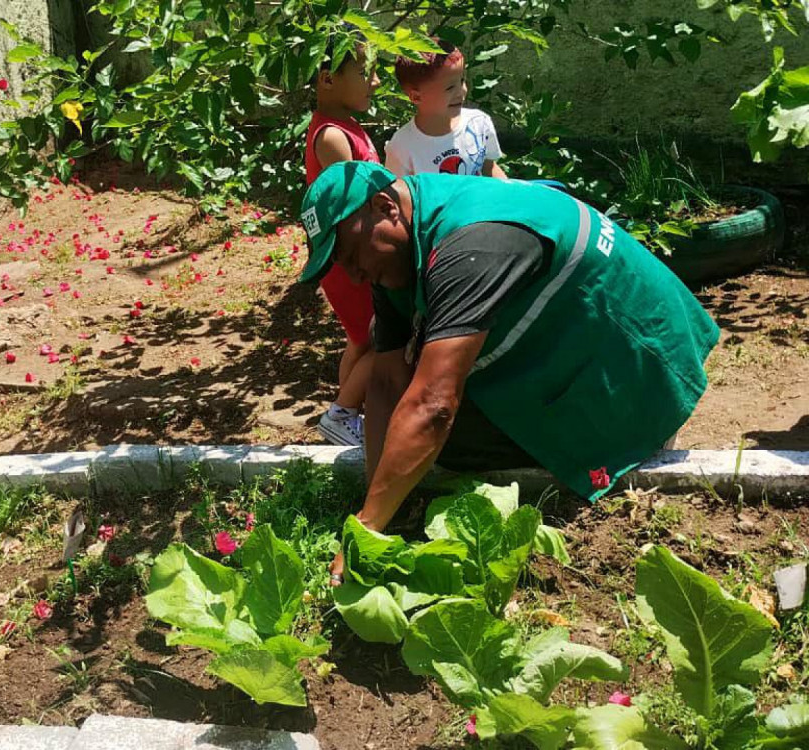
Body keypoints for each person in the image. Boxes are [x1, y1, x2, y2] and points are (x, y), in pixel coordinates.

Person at [297, 162, 719, 586]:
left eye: (352, 256)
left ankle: (637, 433)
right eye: (340, 264)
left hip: (635, 358)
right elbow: (387, 382)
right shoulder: (401, 242)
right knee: (417, 445)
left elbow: (433, 405)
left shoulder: (472, 244)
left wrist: (366, 528)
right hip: (570, 339)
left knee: (438, 434)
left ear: (385, 206)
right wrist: (376, 503)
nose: (353, 275)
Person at [305, 34, 382, 448]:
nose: (375, 83)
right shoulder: (333, 137)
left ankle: (349, 412)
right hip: (349, 258)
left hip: (349, 256)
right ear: (327, 79)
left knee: (360, 338)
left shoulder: (346, 128)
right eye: (365, 73)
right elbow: (356, 203)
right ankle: (341, 415)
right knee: (382, 335)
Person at [384, 41, 508, 179]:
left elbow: (489, 167)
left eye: (462, 81)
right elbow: (400, 195)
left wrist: (511, 195)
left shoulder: (479, 123)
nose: (461, 92)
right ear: (416, 97)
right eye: (450, 88)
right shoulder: (401, 146)